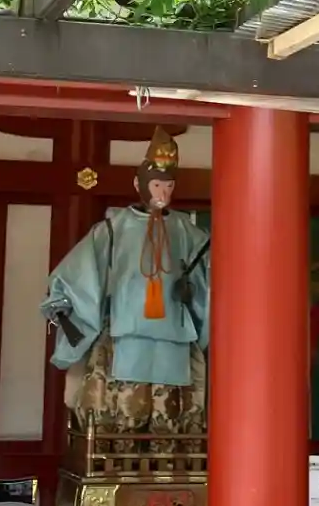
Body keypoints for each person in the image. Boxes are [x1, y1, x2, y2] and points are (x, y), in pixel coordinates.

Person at [41, 128, 210, 441]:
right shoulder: (112, 228)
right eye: (156, 185)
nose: (163, 193)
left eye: (169, 186)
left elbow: (215, 274)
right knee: (116, 416)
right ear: (138, 185)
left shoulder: (188, 232)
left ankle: (168, 464)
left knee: (174, 417)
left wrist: (195, 290)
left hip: (174, 337)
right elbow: (78, 272)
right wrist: (62, 303)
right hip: (124, 334)